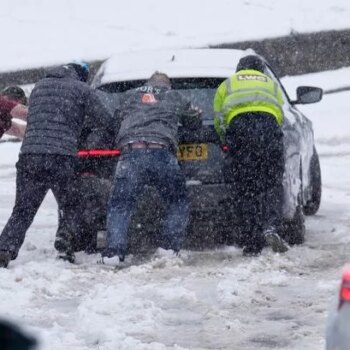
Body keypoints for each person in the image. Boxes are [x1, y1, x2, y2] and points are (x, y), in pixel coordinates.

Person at [0, 62, 112, 268]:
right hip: (62, 156)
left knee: (23, 209)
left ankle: (5, 249)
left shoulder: (39, 87)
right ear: (81, 76)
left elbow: (37, 118)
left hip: (30, 155)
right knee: (70, 205)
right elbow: (104, 119)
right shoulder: (82, 89)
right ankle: (65, 243)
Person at [102, 72, 202, 262]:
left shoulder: (129, 95)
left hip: (130, 152)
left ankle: (114, 252)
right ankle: (169, 249)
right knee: (177, 201)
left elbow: (114, 121)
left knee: (120, 205)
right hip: (161, 151)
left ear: (147, 82)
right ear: (168, 85)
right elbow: (194, 121)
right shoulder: (173, 95)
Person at [213, 55, 288, 256]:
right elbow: (280, 113)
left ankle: (251, 240)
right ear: (260, 70)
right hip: (269, 132)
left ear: (240, 69)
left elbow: (219, 119)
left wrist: (226, 141)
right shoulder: (270, 84)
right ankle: (271, 225)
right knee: (272, 184)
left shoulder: (227, 85)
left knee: (245, 189)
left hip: (240, 134)